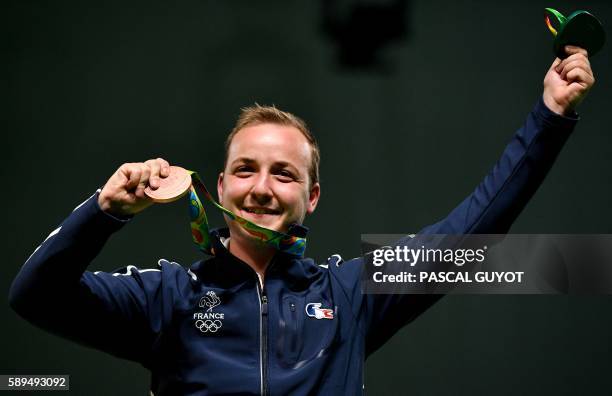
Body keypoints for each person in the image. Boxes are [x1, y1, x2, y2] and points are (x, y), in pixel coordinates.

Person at [9, 46, 595, 395]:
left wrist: (549, 117)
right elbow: (33, 296)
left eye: (284, 174)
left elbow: (473, 232)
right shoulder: (166, 297)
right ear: (218, 188)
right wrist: (104, 211)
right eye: (245, 169)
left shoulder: (353, 295)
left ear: (312, 197)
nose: (261, 188)